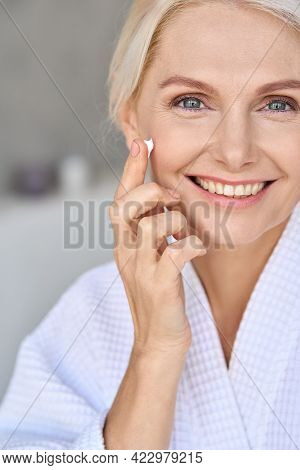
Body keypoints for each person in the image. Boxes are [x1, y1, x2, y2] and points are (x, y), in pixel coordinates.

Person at [0, 0, 300, 450]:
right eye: (192, 101)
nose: (236, 152)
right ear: (132, 122)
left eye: (278, 103)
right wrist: (154, 351)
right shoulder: (85, 322)